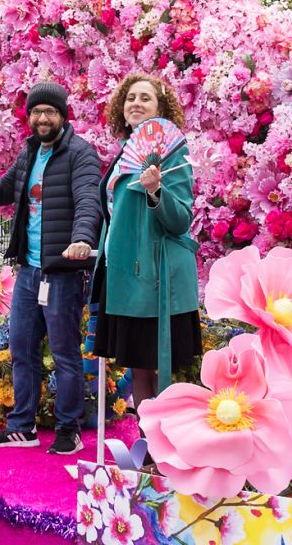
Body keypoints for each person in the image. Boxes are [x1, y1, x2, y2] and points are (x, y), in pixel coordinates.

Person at [0, 81, 102, 455]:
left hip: (62, 272)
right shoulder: (28, 154)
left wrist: (82, 238)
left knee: (65, 354)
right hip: (29, 272)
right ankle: (21, 427)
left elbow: (89, 201)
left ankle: (68, 430)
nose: (42, 118)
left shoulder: (81, 154)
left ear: (62, 115)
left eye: (49, 111)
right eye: (36, 111)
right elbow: (2, 193)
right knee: (21, 350)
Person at [94, 73, 199, 408]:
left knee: (164, 373)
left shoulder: (173, 154)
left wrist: (156, 191)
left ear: (160, 109)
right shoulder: (124, 155)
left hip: (158, 278)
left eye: (145, 98)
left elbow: (180, 219)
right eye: (130, 98)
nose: (136, 103)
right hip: (126, 276)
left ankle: (166, 439)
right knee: (139, 369)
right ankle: (146, 439)